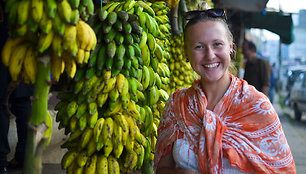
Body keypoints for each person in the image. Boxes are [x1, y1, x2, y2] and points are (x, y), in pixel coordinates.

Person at [154, 8, 296, 173]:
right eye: (199, 47)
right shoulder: (177, 105)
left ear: (230, 47)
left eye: (217, 44)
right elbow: (162, 168)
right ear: (186, 53)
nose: (210, 55)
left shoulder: (258, 106)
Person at [0, 2, 34, 173]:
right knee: (22, 101)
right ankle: (24, 156)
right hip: (26, 39)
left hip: (9, 39)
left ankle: (1, 161)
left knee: (3, 105)